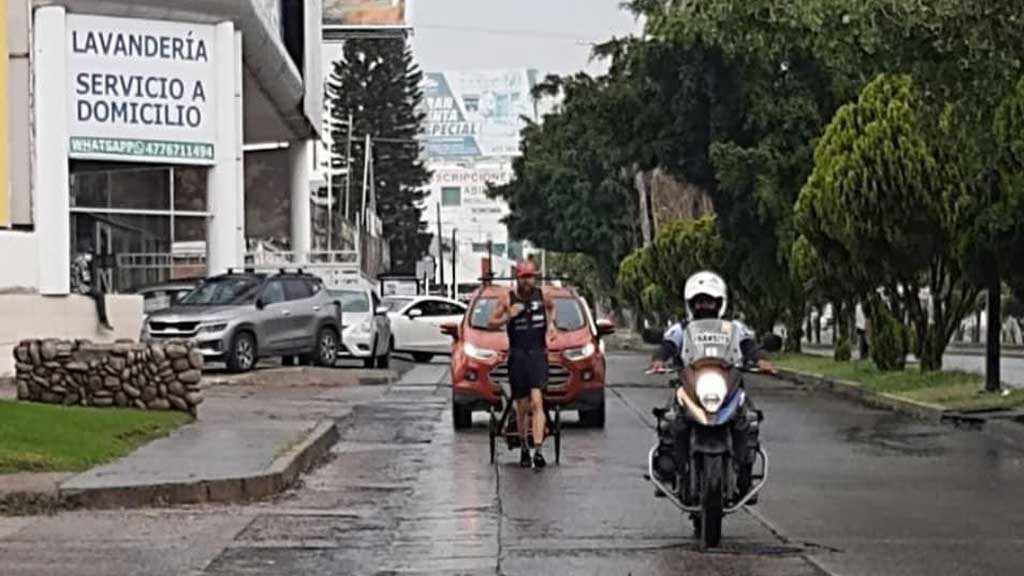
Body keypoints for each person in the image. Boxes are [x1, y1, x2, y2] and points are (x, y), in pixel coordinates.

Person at [649, 271, 774, 503]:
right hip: (693, 383)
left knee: (747, 421)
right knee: (672, 420)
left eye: (709, 301)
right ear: (691, 304)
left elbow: (749, 346)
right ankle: (674, 469)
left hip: (726, 382)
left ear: (719, 303)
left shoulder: (734, 328)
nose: (704, 305)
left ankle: (743, 472)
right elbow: (667, 346)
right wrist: (659, 359)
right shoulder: (681, 329)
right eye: (699, 301)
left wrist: (759, 360)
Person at [488, 260, 554, 469]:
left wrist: (551, 327)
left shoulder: (543, 296)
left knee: (537, 401)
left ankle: (538, 450)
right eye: (524, 277)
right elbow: (491, 323)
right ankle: (524, 446)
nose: (528, 281)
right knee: (522, 406)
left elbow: (552, 309)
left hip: (537, 353)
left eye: (531, 276)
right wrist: (508, 316)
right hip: (517, 355)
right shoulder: (507, 298)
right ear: (517, 278)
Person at [71, 244, 113, 331]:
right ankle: (103, 320)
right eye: (89, 253)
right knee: (100, 295)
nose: (90, 256)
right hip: (79, 286)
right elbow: (86, 279)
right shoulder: (82, 262)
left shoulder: (76, 260)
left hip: (75, 285)